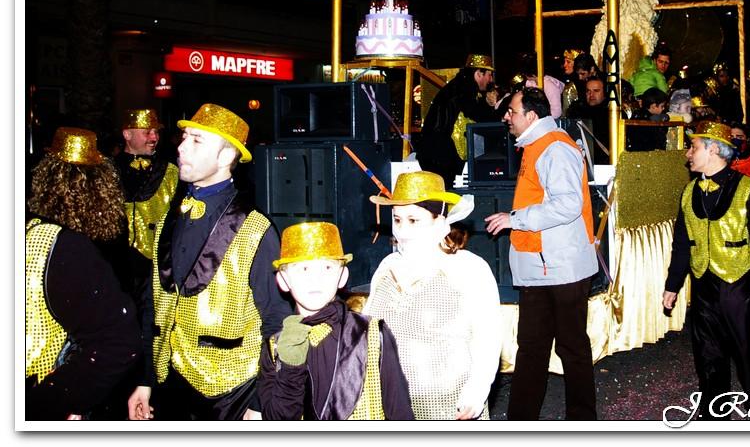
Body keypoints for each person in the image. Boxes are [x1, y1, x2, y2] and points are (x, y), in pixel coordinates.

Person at [127, 103, 292, 421]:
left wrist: (260, 402)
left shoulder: (257, 229)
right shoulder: (167, 220)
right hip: (168, 384)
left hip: (230, 394)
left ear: (226, 157)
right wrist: (145, 379)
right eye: (184, 137)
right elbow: (153, 307)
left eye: (197, 140)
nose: (182, 147)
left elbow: (278, 323)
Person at [485, 87, 598, 421]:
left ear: (531, 116)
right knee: (532, 348)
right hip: (542, 268)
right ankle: (521, 421)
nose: (507, 117)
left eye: (513, 112)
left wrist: (515, 219)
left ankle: (582, 421)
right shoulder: (538, 146)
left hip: (562, 269)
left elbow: (567, 204)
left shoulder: (556, 148)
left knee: (571, 348)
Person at [662, 121, 750, 420]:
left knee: (747, 354)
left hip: (737, 284)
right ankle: (714, 416)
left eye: (694, 147)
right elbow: (682, 243)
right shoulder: (689, 191)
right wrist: (673, 284)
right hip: (703, 283)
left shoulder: (746, 188)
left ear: (714, 149)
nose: (688, 153)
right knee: (708, 355)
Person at [363, 171, 502, 420]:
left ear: (439, 222)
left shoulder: (469, 268)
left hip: (447, 403)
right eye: (397, 219)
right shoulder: (387, 267)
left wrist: (477, 391)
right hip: (390, 401)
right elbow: (368, 333)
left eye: (413, 220)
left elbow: (487, 336)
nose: (402, 230)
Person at [26, 127, 142, 420]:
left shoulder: (58, 242)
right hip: (93, 377)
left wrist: (55, 400)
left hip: (81, 378)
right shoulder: (104, 232)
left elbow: (117, 336)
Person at [257, 221, 414, 420]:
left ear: (342, 276)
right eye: (303, 269)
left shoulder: (372, 334)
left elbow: (400, 413)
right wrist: (290, 367)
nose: (316, 278)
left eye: (328, 267)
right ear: (283, 280)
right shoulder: (275, 346)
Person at [114, 108, 179, 307]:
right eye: (147, 132)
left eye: (156, 132)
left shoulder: (170, 171)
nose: (154, 137)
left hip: (155, 265)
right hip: (116, 263)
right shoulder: (107, 170)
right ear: (127, 134)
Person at [416, 53, 501, 188]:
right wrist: (497, 111)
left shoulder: (460, 86)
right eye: (489, 75)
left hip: (437, 153)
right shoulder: (464, 89)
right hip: (439, 155)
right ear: (479, 73)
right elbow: (477, 115)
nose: (491, 80)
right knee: (442, 197)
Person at [568, 75, 610, 164]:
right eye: (588, 91)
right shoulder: (577, 111)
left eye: (596, 91)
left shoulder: (612, 114)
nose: (591, 95)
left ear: (605, 93)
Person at [626, 86, 669, 151]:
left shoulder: (637, 115)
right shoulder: (651, 120)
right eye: (662, 106)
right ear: (653, 106)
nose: (663, 109)